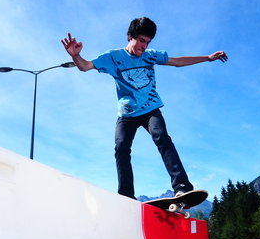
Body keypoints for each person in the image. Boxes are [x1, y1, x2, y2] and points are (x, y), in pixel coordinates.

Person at [61, 17, 227, 199]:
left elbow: (177, 62)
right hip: (127, 114)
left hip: (150, 109)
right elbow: (85, 66)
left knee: (161, 137)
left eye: (147, 42)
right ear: (130, 37)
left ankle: (182, 186)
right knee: (121, 148)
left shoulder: (150, 56)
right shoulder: (112, 57)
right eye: (141, 41)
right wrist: (75, 56)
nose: (144, 47)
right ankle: (125, 195)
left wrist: (208, 58)